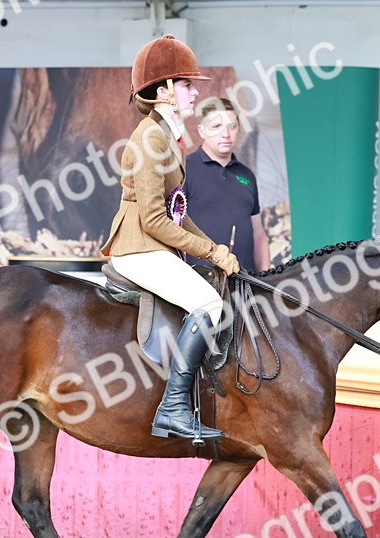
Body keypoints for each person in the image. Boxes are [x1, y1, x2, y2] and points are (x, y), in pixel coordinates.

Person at [101, 34, 241, 442]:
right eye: (186, 85)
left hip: (153, 243)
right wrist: (210, 250)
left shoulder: (167, 135)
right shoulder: (149, 138)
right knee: (209, 304)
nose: (195, 91)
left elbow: (178, 212)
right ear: (162, 92)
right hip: (138, 247)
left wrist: (215, 251)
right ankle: (173, 407)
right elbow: (154, 220)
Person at [184, 97, 270, 274]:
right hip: (198, 282)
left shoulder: (246, 175)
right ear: (201, 131)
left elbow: (258, 233)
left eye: (232, 126)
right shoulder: (185, 169)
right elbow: (170, 228)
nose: (226, 134)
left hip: (246, 282)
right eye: (216, 127)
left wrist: (265, 277)